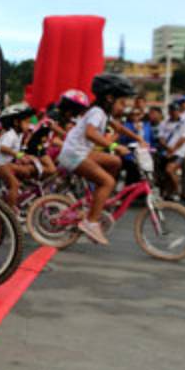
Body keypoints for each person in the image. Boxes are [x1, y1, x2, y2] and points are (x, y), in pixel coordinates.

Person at [57, 73, 137, 245]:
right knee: (108, 182)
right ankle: (90, 222)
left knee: (115, 162)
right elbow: (90, 133)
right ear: (109, 98)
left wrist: (139, 139)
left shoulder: (103, 114)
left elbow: (119, 127)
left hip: (81, 152)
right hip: (73, 154)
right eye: (122, 102)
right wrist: (114, 146)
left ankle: (98, 198)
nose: (124, 107)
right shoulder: (97, 112)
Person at [0, 105, 37, 209]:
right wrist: (18, 155)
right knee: (15, 184)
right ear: (16, 122)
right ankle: (10, 211)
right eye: (26, 122)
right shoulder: (10, 134)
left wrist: (27, 158)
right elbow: (3, 148)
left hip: (3, 164)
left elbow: (17, 153)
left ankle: (10, 199)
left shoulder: (19, 136)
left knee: (26, 171)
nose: (29, 125)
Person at [157, 100, 185, 201]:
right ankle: (167, 193)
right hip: (165, 151)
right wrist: (167, 148)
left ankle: (177, 190)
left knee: (170, 169)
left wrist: (173, 149)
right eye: (171, 110)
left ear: (179, 111)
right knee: (163, 175)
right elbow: (161, 137)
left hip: (179, 152)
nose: (173, 112)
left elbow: (184, 138)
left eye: (175, 110)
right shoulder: (164, 123)